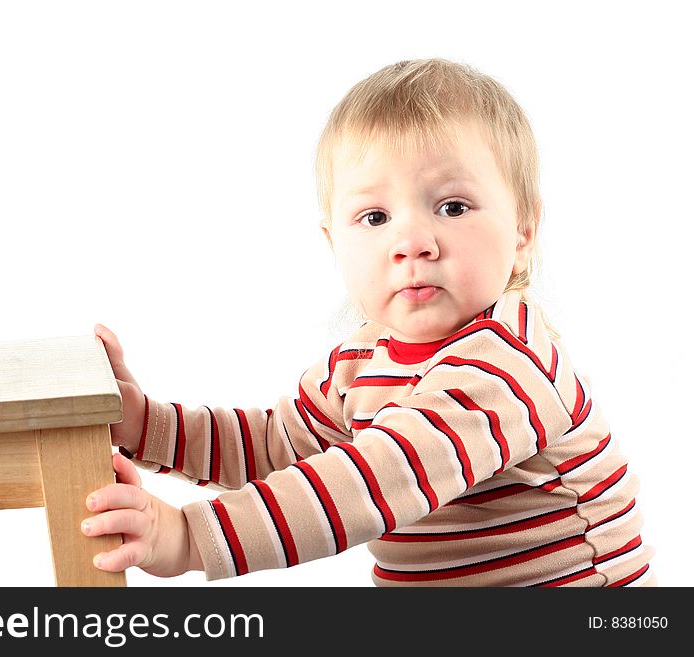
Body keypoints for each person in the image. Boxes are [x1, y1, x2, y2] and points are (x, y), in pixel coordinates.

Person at [82, 58, 655, 586]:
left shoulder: (508, 367)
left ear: (522, 234)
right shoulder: (363, 361)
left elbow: (370, 483)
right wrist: (145, 425)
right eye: (375, 216)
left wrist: (188, 537)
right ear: (334, 244)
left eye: (452, 207)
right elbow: (276, 446)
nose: (411, 243)